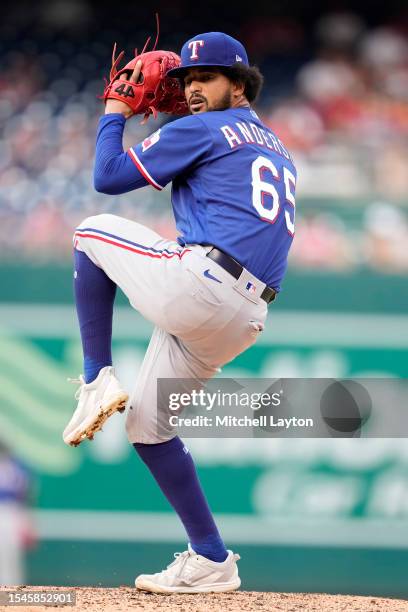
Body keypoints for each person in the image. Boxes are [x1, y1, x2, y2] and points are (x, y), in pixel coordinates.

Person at [63, 31, 296, 593]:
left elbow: (108, 178)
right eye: (187, 79)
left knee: (89, 232)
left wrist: (116, 111)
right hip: (245, 317)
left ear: (239, 85)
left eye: (206, 78)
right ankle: (212, 559)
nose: (191, 88)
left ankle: (95, 377)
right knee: (147, 425)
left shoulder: (203, 128)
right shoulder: (274, 144)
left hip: (206, 286)